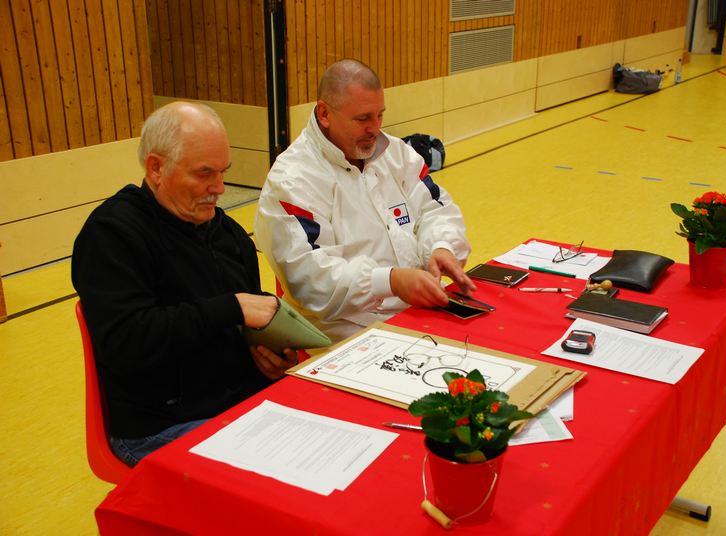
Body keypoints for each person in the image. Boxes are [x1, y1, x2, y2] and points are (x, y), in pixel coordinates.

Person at [72, 102, 297, 466]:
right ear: (156, 168)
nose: (219, 188)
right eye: (204, 173)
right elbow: (126, 342)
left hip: (237, 400)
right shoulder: (112, 234)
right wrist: (232, 308)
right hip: (162, 423)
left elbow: (246, 321)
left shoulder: (226, 233)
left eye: (223, 172)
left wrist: (269, 356)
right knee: (288, 470)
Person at [254, 59, 476, 342]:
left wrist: (441, 246)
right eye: (363, 119)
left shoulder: (396, 154)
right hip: (346, 330)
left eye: (379, 115)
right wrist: (390, 281)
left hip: (419, 311)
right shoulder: (293, 180)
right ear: (324, 113)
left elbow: (434, 209)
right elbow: (309, 280)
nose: (375, 128)